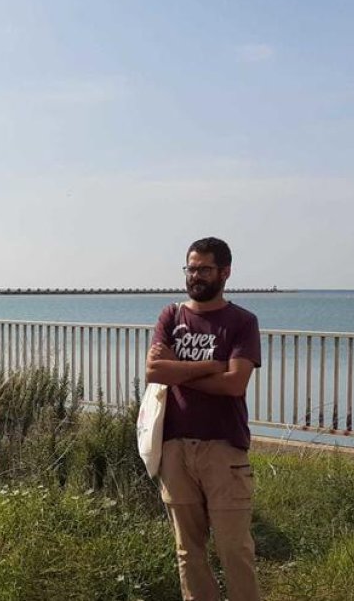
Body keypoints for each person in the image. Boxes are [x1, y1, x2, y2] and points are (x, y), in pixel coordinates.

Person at [146, 237, 262, 601]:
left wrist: (179, 370)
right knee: (188, 552)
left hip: (223, 451)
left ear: (225, 272)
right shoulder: (171, 316)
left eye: (204, 269)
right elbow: (154, 371)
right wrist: (211, 365)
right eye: (191, 268)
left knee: (235, 550)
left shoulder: (242, 322)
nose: (195, 276)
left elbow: (235, 383)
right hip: (175, 449)